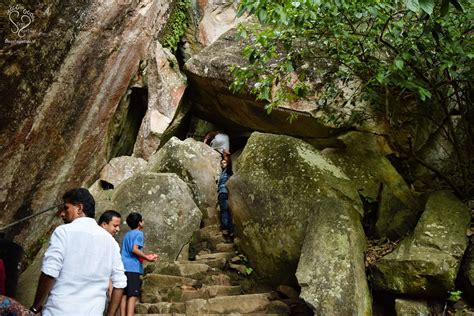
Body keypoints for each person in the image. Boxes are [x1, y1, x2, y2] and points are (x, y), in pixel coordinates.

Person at [30, 188, 127, 316]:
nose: (62, 214)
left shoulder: (63, 232)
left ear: (79, 208)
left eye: (66, 208)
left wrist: (36, 307)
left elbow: (49, 272)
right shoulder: (111, 242)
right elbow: (119, 284)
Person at [120, 212, 158, 316]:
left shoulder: (127, 234)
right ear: (139, 223)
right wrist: (147, 257)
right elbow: (134, 249)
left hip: (123, 266)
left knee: (124, 294)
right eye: (142, 220)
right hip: (132, 268)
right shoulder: (139, 234)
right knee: (132, 295)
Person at [217, 158, 234, 242]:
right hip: (222, 193)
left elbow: (230, 164)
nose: (223, 164)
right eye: (222, 163)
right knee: (226, 211)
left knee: (225, 211)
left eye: (225, 163)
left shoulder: (228, 171)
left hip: (225, 192)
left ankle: (226, 230)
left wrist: (227, 155)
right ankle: (229, 232)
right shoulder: (222, 173)